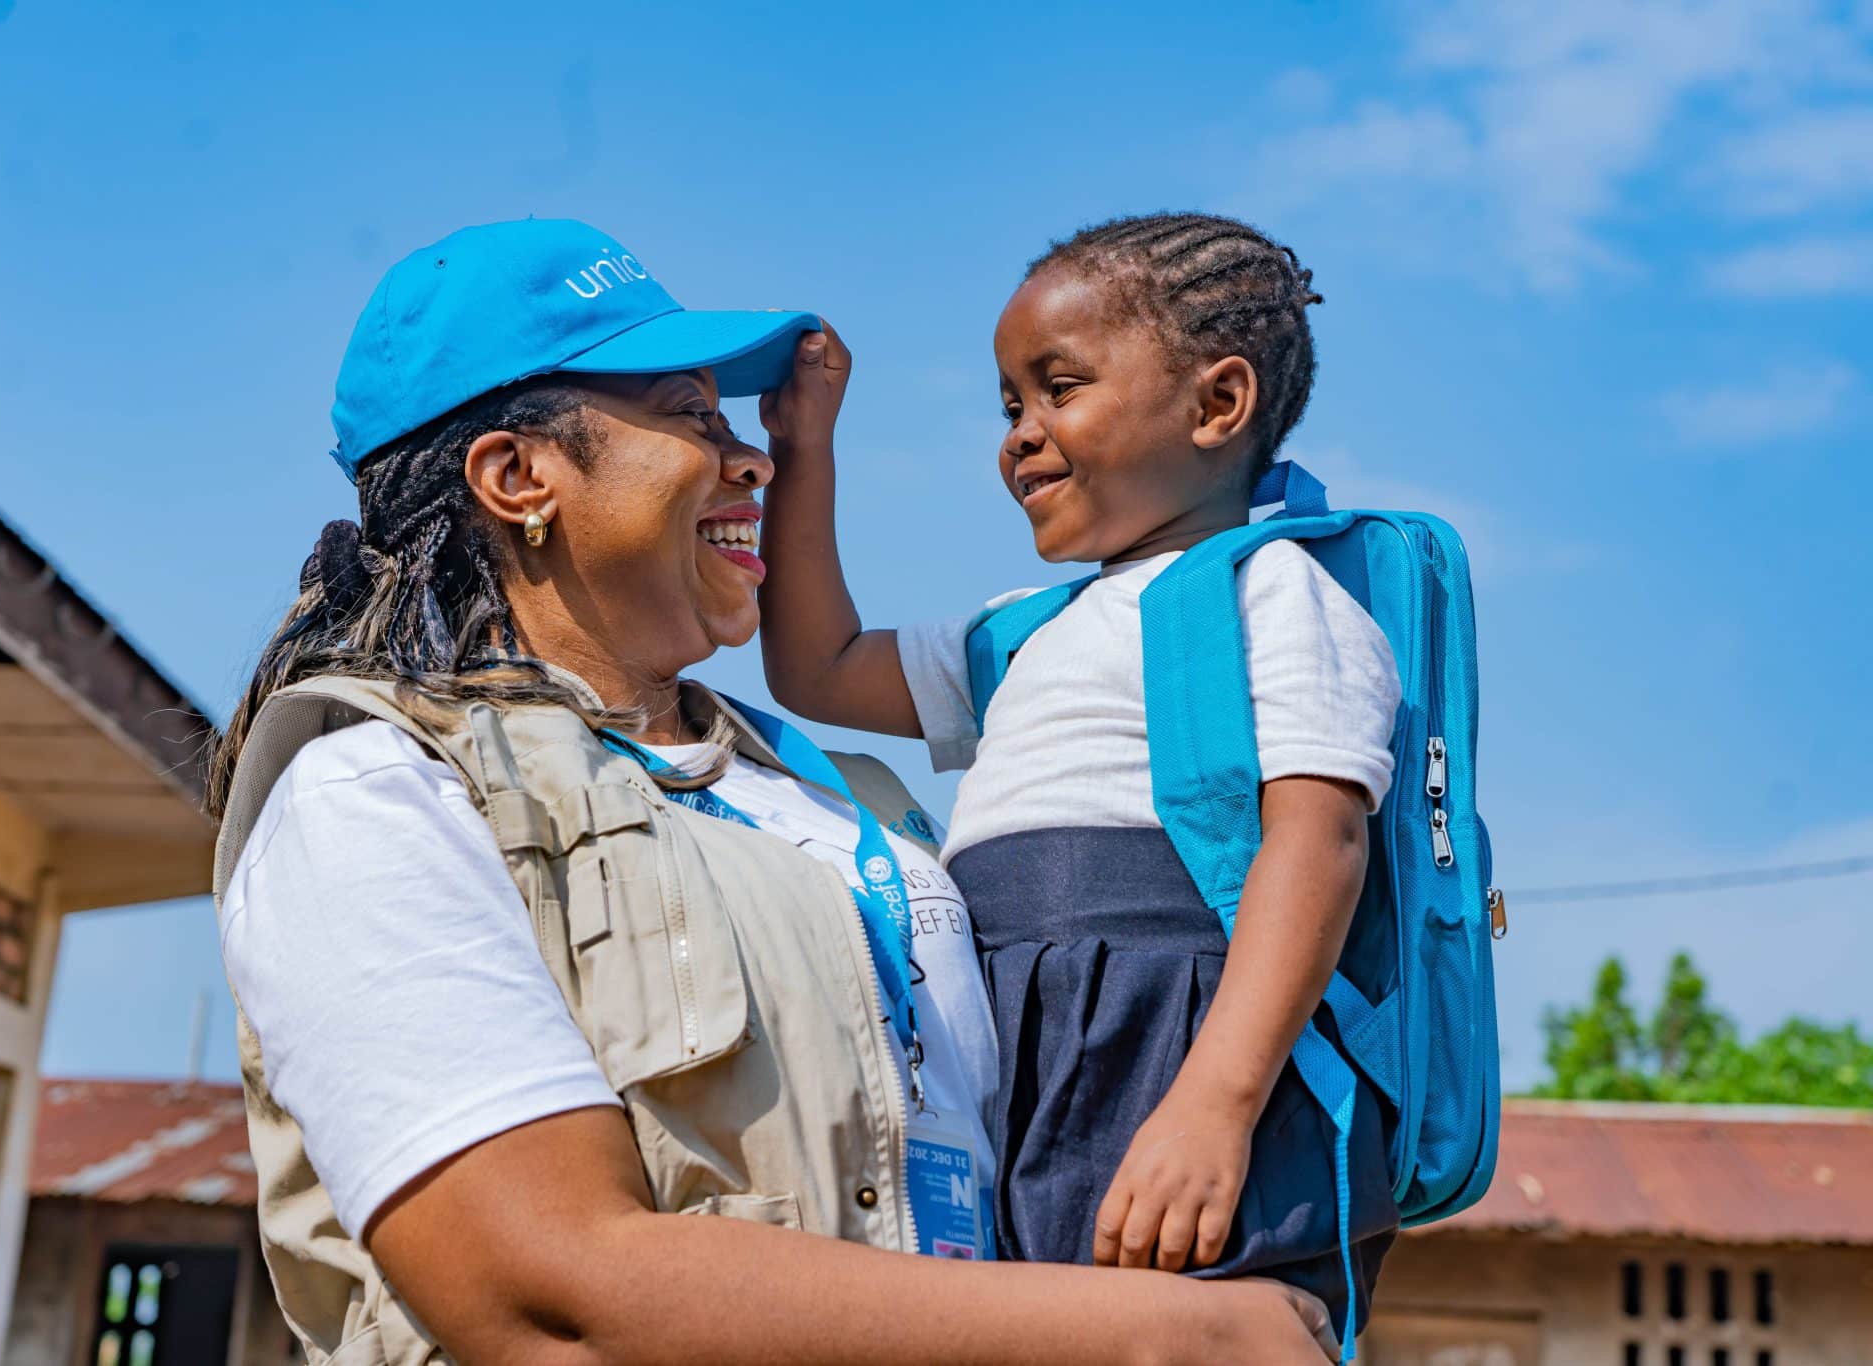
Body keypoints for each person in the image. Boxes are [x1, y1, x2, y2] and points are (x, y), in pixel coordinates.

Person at [206, 216, 1339, 1365]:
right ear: (517, 476)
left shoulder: (847, 801)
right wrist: (1177, 1332)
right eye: (692, 416)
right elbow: (546, 1302)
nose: (752, 456)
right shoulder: (372, 786)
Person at [759, 212, 1404, 1333]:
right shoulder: (1020, 631)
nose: (1019, 434)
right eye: (1009, 404)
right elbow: (815, 666)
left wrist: (1214, 1102)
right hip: (1014, 1058)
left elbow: (1317, 844)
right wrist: (805, 452)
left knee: (1190, 1333)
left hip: (1172, 1052)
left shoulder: (1275, 592)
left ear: (1217, 404)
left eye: (1058, 387)